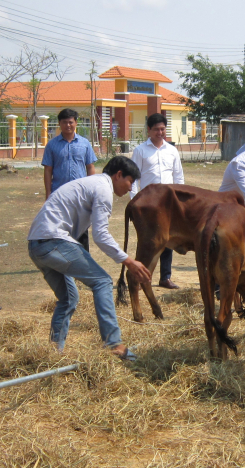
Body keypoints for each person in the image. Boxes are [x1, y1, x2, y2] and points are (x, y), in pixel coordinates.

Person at [27, 156, 152, 359]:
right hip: (53, 241)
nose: (131, 188)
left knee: (68, 299)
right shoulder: (103, 189)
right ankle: (114, 345)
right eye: (130, 181)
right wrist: (128, 261)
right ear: (118, 175)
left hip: (36, 245)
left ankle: (52, 354)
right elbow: (101, 235)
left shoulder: (91, 183)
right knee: (102, 281)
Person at [130, 113, 185, 289]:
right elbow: (133, 179)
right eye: (156, 129)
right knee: (147, 241)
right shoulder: (140, 151)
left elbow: (178, 177)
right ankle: (142, 278)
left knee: (167, 239)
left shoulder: (172, 150)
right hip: (148, 204)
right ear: (148, 130)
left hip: (169, 204)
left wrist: (180, 200)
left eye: (162, 129)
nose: (160, 132)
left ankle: (165, 277)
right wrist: (134, 202)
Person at [42, 108, 98, 251]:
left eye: (71, 122)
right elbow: (48, 170)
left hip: (81, 195)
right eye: (65, 122)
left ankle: (84, 259)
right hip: (59, 195)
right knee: (60, 228)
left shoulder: (84, 143)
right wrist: (48, 194)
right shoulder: (52, 145)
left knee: (82, 229)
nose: (68, 125)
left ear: (76, 123)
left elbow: (90, 167)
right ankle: (63, 258)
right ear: (59, 123)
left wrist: (91, 190)